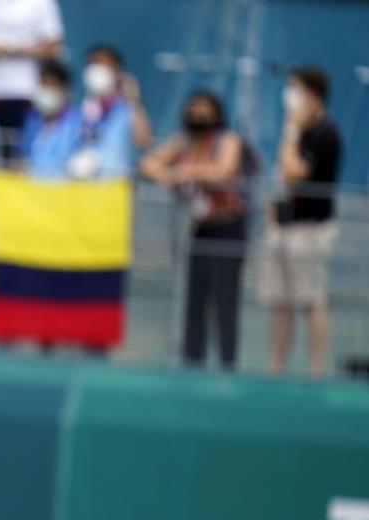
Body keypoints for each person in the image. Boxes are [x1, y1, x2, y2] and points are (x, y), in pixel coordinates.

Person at [140, 91, 250, 370]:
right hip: (196, 228)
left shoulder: (227, 139)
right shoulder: (185, 140)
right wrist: (170, 175)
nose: (198, 115)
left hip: (226, 228)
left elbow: (224, 170)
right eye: (193, 109)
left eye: (204, 109)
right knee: (193, 299)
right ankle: (192, 363)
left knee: (225, 300)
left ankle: (228, 365)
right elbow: (149, 163)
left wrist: (188, 171)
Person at [259, 66, 342, 377]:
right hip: (283, 225)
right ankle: (275, 368)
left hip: (310, 229)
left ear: (313, 94)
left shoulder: (325, 133)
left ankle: (314, 371)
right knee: (280, 302)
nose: (290, 95)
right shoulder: (299, 130)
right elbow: (282, 175)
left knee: (311, 300)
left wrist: (291, 130)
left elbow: (294, 172)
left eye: (295, 88)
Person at [0, 0, 64, 161]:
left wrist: (14, 51)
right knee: (0, 155)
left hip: (28, 90)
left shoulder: (43, 3)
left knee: (27, 153)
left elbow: (53, 46)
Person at [67, 44, 148, 179]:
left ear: (117, 70)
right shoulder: (83, 108)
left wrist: (134, 101)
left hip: (113, 188)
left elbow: (143, 142)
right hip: (84, 187)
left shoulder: (126, 107)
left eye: (101, 64)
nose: (95, 69)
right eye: (91, 64)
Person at [20, 59, 81, 178]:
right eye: (43, 84)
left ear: (64, 88)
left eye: (52, 85)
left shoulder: (79, 122)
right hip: (32, 191)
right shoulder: (32, 119)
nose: (46, 90)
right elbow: (23, 156)